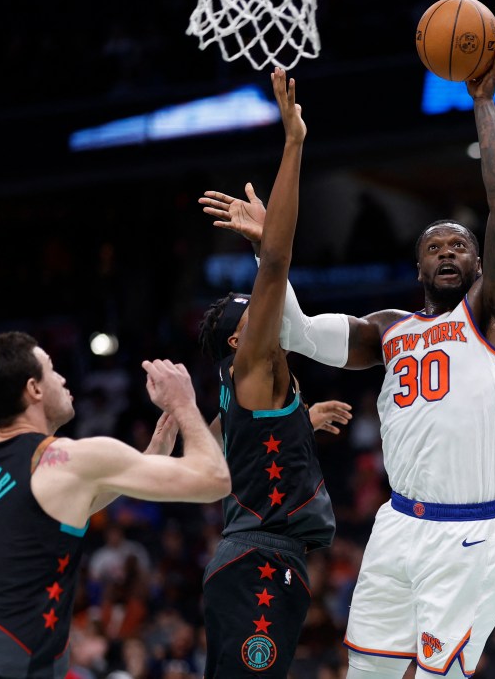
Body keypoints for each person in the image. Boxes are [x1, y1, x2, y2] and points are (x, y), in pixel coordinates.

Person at [200, 32, 495, 679]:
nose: (450, 251)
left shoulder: (491, 317)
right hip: (399, 525)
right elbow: (297, 331)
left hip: (471, 532)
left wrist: (483, 102)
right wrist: (272, 249)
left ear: (482, 265)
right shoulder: (387, 330)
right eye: (436, 244)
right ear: (417, 266)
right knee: (368, 674)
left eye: (461, 245)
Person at [0, 331, 229, 678]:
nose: (62, 378)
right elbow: (214, 480)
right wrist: (183, 403)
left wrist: (148, 459)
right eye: (52, 369)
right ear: (34, 389)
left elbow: (53, 510)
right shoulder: (67, 457)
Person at [196, 68, 345, 678]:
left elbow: (236, 455)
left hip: (242, 561)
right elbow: (279, 263)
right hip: (260, 564)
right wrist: (293, 142)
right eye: (251, 304)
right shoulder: (253, 362)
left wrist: (300, 423)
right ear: (240, 335)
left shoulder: (245, 397)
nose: (263, 303)